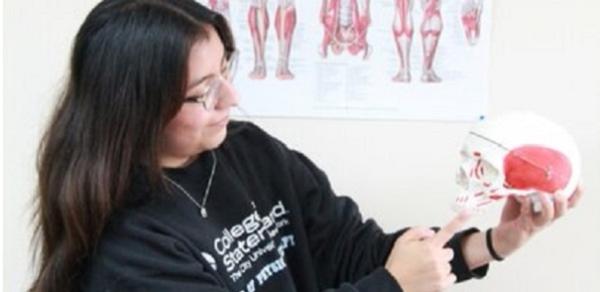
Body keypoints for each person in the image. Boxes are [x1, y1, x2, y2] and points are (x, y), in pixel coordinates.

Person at [29, 1, 582, 292]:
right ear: (137, 109)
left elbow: (350, 251)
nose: (231, 97)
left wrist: (492, 243)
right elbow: (388, 276)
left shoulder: (249, 151)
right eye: (203, 92)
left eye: (226, 69)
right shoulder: (126, 247)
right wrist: (392, 288)